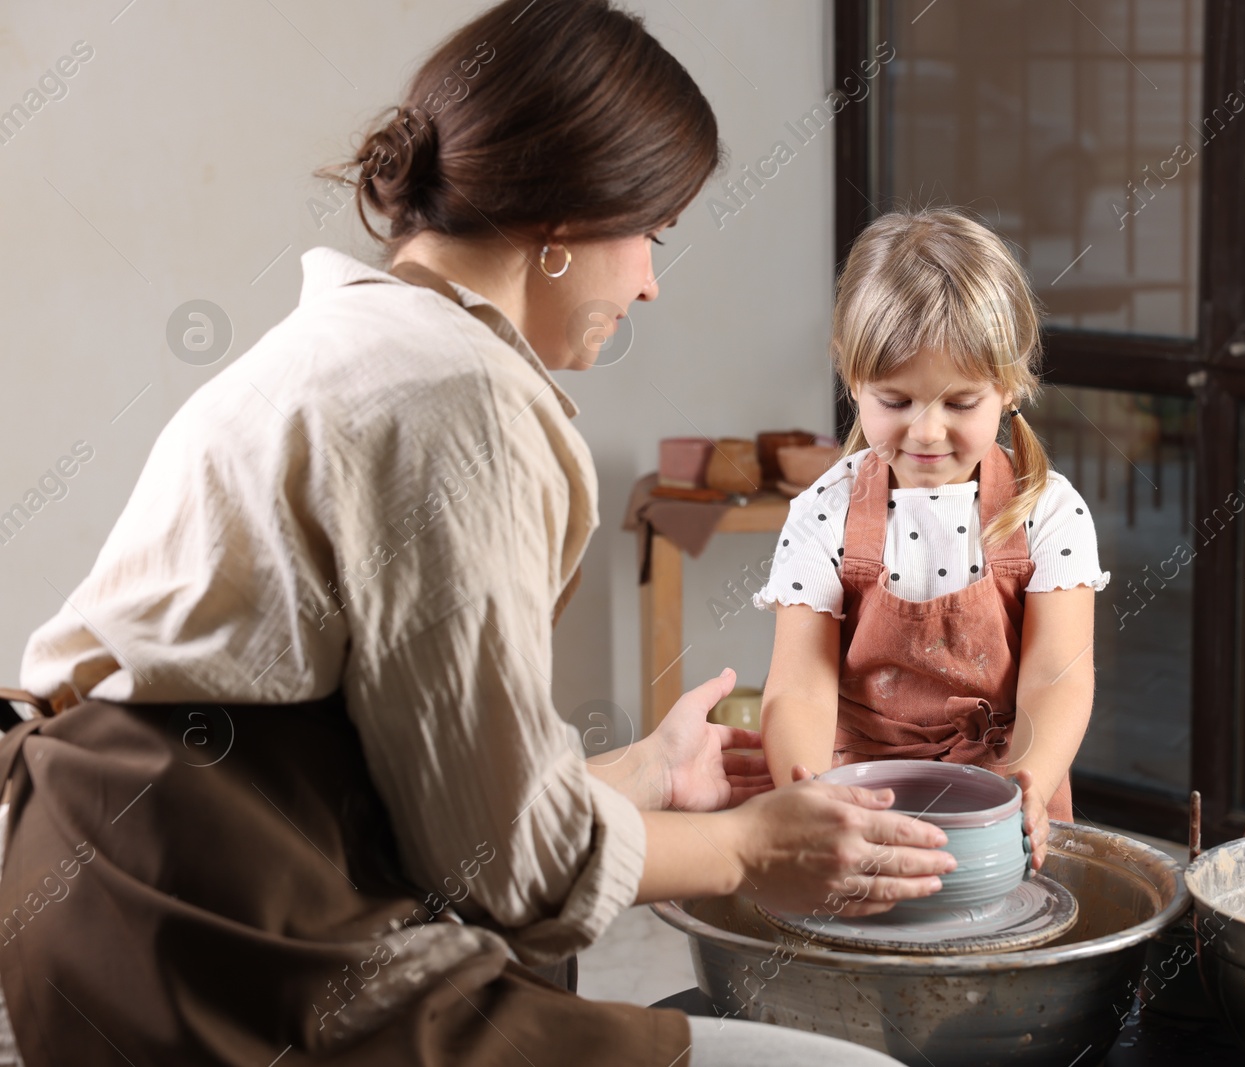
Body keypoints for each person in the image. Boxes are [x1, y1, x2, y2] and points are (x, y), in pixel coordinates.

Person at [0, 3, 952, 1065]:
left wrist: (639, 774)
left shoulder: (353, 340)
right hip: (240, 951)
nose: (646, 279)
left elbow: (402, 797)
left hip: (105, 918)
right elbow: (505, 866)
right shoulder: (458, 398)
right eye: (649, 233)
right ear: (563, 221)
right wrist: (744, 848)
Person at [755, 208, 1111, 867]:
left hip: (1005, 799)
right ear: (851, 377)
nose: (924, 431)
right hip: (859, 807)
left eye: (958, 402)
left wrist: (1024, 781)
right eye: (894, 401)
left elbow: (1056, 676)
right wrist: (808, 799)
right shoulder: (823, 513)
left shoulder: (1048, 512)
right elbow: (800, 684)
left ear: (1007, 387)